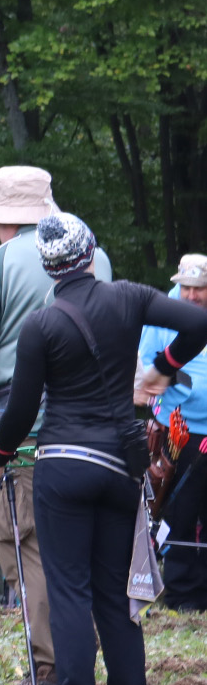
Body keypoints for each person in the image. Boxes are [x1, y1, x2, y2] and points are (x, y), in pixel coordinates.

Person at [0, 214, 207, 685]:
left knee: (69, 590)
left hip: (63, 467)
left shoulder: (41, 325)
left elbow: (21, 410)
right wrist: (164, 367)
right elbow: (198, 323)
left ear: (50, 267)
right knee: (113, 591)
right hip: (120, 467)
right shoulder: (127, 297)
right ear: (91, 253)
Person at [0, 166, 110, 685]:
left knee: (29, 551)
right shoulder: (97, 257)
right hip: (97, 428)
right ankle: (91, 670)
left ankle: (49, 674)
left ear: (3, 219)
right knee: (85, 555)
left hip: (20, 433)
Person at [139, 254, 207, 613]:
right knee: (179, 512)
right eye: (187, 287)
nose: (192, 295)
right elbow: (147, 367)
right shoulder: (164, 313)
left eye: (199, 288)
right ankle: (184, 595)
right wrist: (177, 378)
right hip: (179, 431)